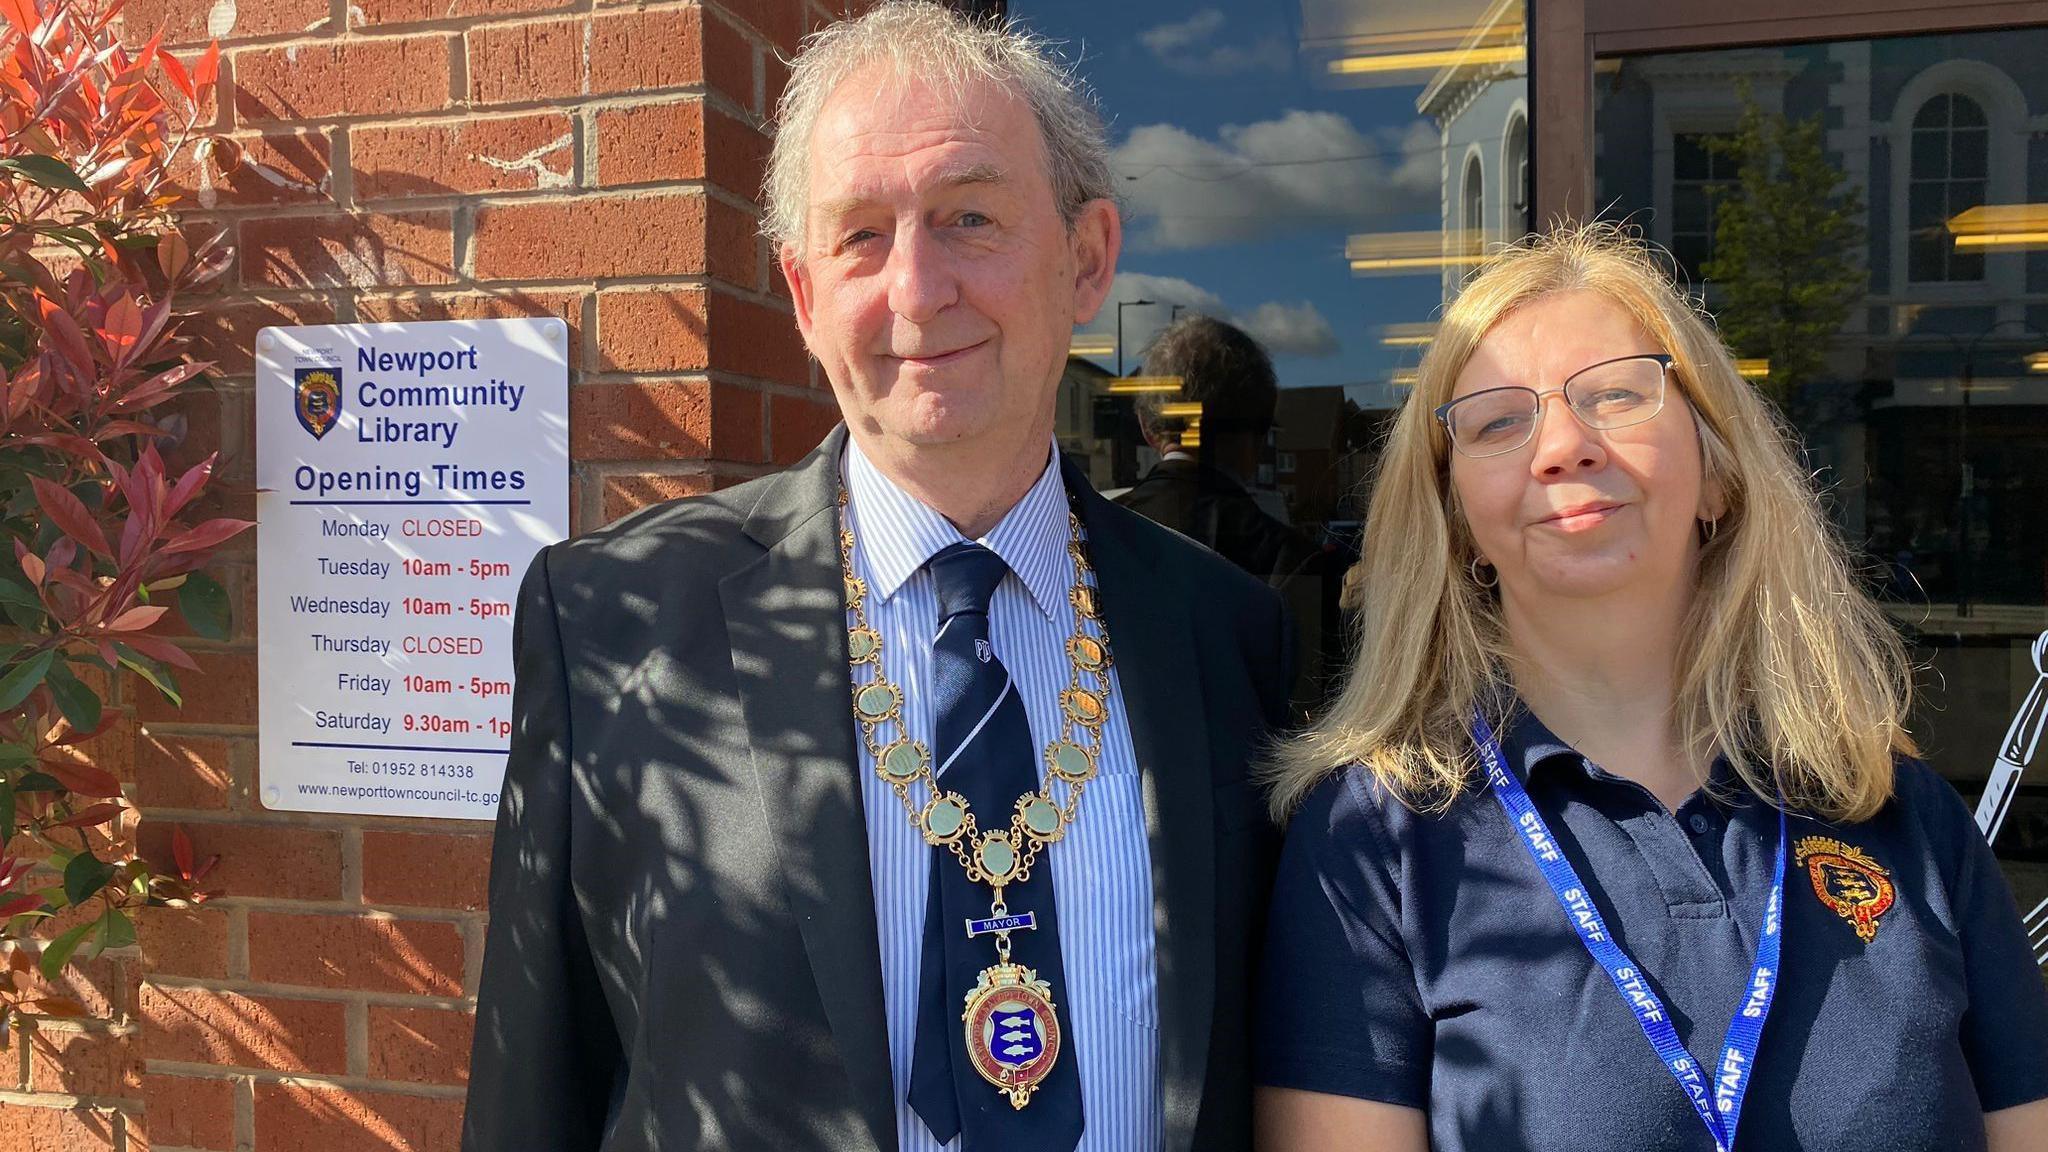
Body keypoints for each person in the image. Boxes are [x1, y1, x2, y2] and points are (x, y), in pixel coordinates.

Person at [460, 5, 1292, 1151]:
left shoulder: (1228, 634)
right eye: (859, 236)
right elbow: (532, 1090)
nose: (914, 289)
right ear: (804, 298)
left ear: (1087, 257)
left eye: (968, 217)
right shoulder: (610, 626)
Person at [1254, 224, 2048, 1152]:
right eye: (1499, 420)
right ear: (1457, 522)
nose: (1562, 446)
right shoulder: (1377, 840)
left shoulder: (1897, 811)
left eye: (1618, 395)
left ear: (1717, 473)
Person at [1115, 316, 1344, 710]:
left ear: (1147, 428)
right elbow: (1312, 718)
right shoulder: (1293, 560)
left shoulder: (1084, 535)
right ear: (1257, 433)